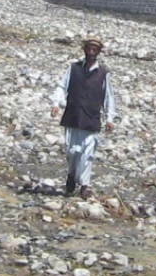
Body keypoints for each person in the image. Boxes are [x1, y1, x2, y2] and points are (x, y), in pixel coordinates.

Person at [50, 36, 117, 199]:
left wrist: (110, 118)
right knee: (72, 152)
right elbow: (62, 86)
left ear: (99, 53)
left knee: (87, 154)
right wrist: (56, 103)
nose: (91, 52)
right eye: (89, 49)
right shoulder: (73, 68)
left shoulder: (103, 73)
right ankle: (72, 175)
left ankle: (85, 186)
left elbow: (109, 97)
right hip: (73, 117)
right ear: (84, 50)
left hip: (91, 119)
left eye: (95, 50)